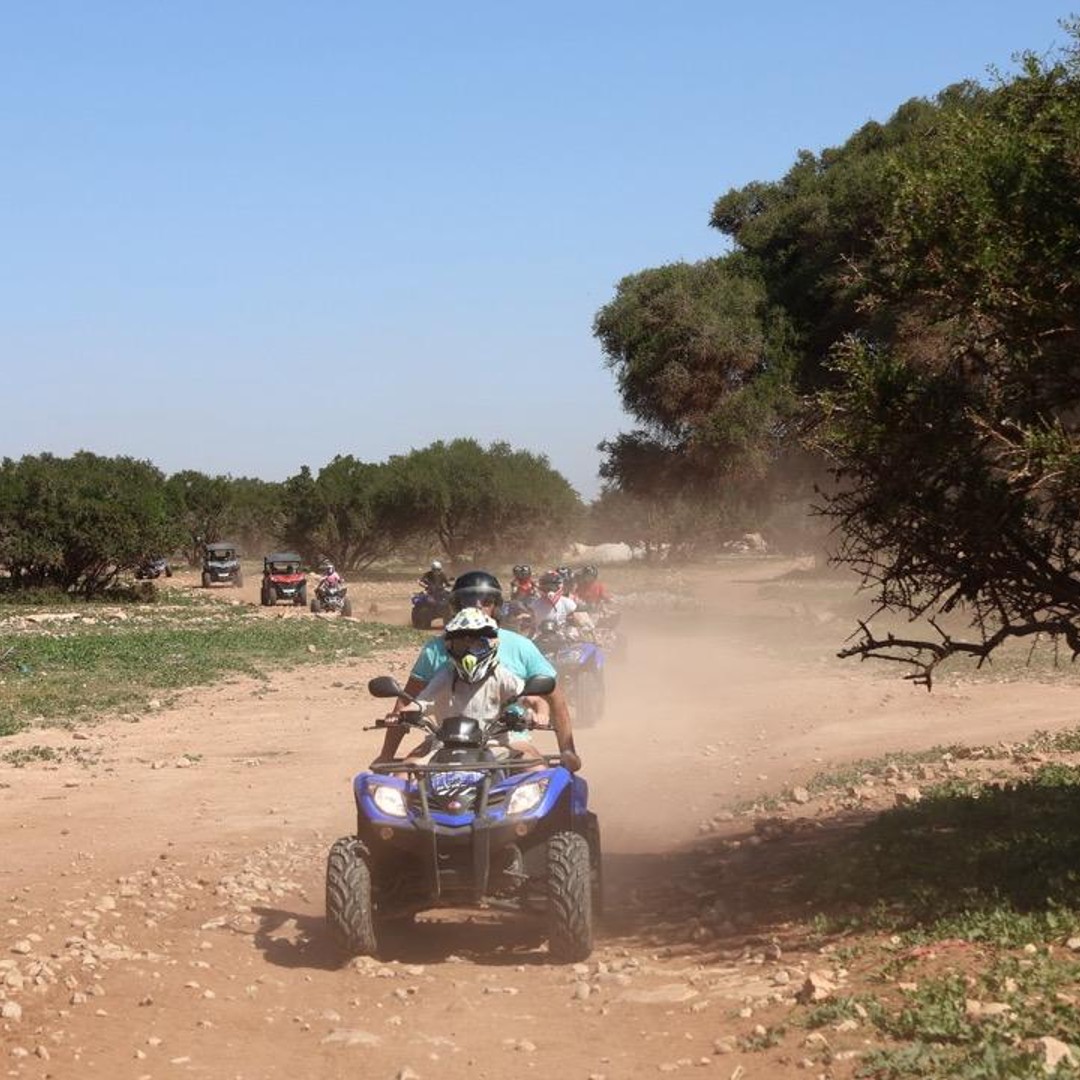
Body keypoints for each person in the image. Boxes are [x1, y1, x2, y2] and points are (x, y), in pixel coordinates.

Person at [375, 570, 580, 771]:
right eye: (468, 600)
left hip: (505, 738)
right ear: (457, 606)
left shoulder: (520, 647)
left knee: (536, 771)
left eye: (486, 601)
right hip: (445, 739)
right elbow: (409, 700)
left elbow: (554, 698)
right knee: (404, 774)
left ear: (496, 607)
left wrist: (567, 751)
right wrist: (386, 754)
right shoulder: (436, 651)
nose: (477, 605)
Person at [397, 609, 542, 767]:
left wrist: (541, 714)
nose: (469, 654)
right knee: (405, 771)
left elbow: (534, 699)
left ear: (491, 645)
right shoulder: (445, 675)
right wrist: (403, 713)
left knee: (535, 766)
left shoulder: (501, 676)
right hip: (444, 745)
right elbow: (421, 702)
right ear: (450, 646)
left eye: (477, 645)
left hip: (495, 744)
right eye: (461, 645)